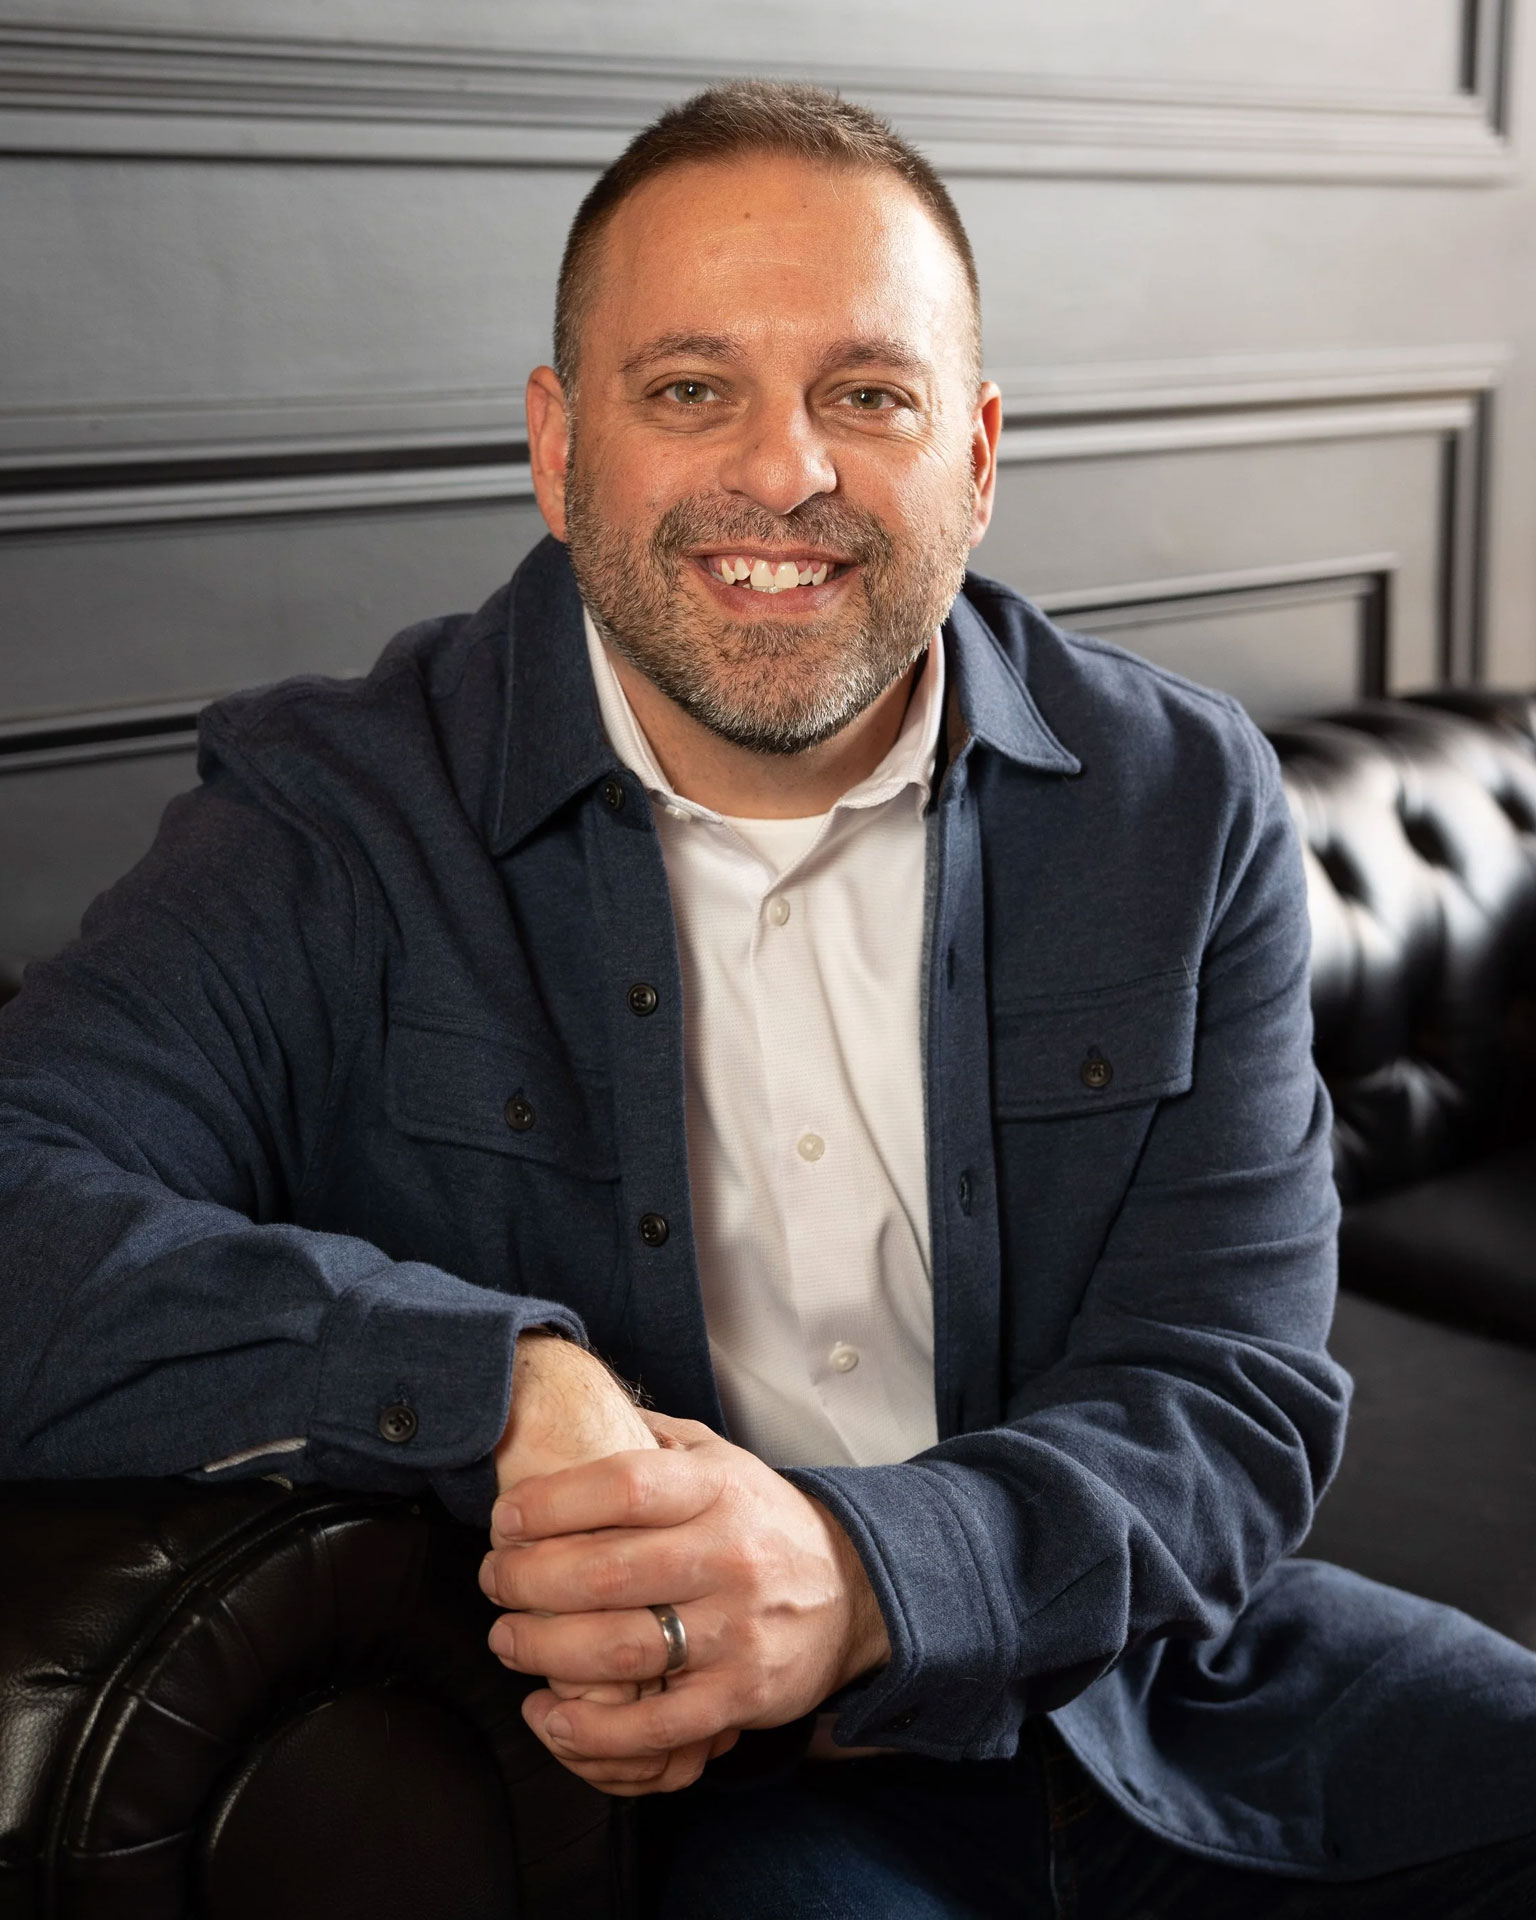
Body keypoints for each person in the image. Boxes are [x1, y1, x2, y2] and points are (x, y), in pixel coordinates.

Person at [1, 80, 1534, 1918]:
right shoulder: (337, 822)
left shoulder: (1177, 802)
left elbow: (1236, 1392)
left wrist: (869, 1573)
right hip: (687, 1795)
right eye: (689, 387)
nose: (785, 471)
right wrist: (501, 1385)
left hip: (1147, 1684)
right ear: (559, 450)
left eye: (866, 395)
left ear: (975, 452)